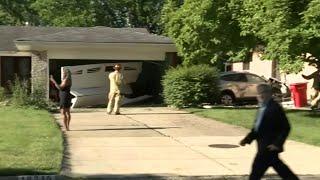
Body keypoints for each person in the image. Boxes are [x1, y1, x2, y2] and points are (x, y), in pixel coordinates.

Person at [239, 84, 299, 180]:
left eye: (263, 93)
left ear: (269, 94)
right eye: (258, 93)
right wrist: (247, 139)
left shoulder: (275, 108)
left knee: (256, 173)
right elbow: (257, 128)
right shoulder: (262, 107)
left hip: (269, 147)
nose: (260, 96)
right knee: (282, 170)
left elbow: (285, 127)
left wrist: (277, 144)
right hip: (264, 147)